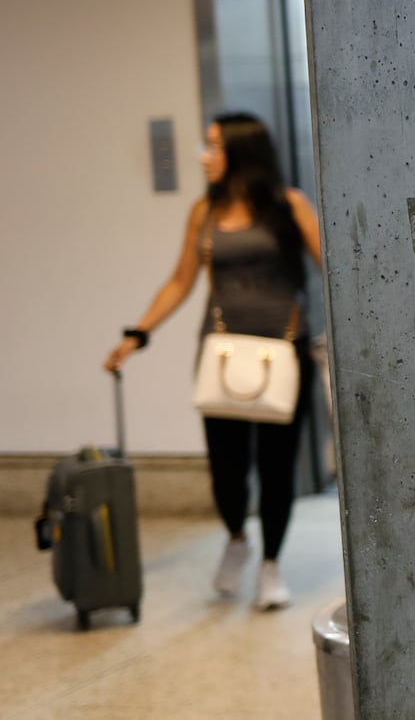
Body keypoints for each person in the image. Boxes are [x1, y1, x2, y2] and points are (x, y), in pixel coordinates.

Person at [104, 113, 322, 611]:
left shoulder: (289, 207)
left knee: (277, 467)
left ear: (242, 153)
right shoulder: (204, 211)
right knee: (226, 471)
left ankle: (271, 564)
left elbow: (329, 264)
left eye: (213, 147)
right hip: (221, 352)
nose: (204, 156)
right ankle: (236, 539)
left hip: (284, 351)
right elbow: (180, 281)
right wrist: (138, 334)